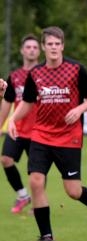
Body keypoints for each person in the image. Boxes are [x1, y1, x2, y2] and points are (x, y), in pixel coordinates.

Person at [8, 26, 87, 241]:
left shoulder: (76, 69)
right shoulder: (35, 73)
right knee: (36, 182)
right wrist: (13, 120)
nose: (53, 48)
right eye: (49, 44)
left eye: (57, 44)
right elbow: (27, 103)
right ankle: (46, 235)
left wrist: (79, 109)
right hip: (41, 135)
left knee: (72, 191)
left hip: (68, 137)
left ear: (62, 46)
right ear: (43, 47)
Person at [0, 34, 40, 214]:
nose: (31, 49)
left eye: (35, 47)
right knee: (5, 160)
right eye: (28, 47)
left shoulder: (44, 74)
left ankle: (38, 203)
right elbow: (6, 104)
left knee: (37, 171)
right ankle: (23, 195)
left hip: (39, 131)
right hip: (17, 129)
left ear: (39, 51)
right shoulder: (14, 77)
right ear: (22, 50)